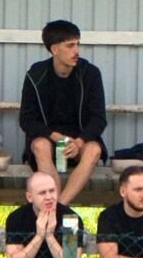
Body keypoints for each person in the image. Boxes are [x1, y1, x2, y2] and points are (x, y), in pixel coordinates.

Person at [19, 19, 107, 206]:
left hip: (80, 140)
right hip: (49, 138)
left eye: (77, 44)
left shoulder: (90, 73)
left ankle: (59, 206)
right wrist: (55, 136)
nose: (76, 51)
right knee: (40, 146)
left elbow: (99, 119)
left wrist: (79, 142)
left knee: (94, 150)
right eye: (70, 46)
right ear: (54, 49)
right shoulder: (36, 75)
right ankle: (54, 205)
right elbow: (27, 119)